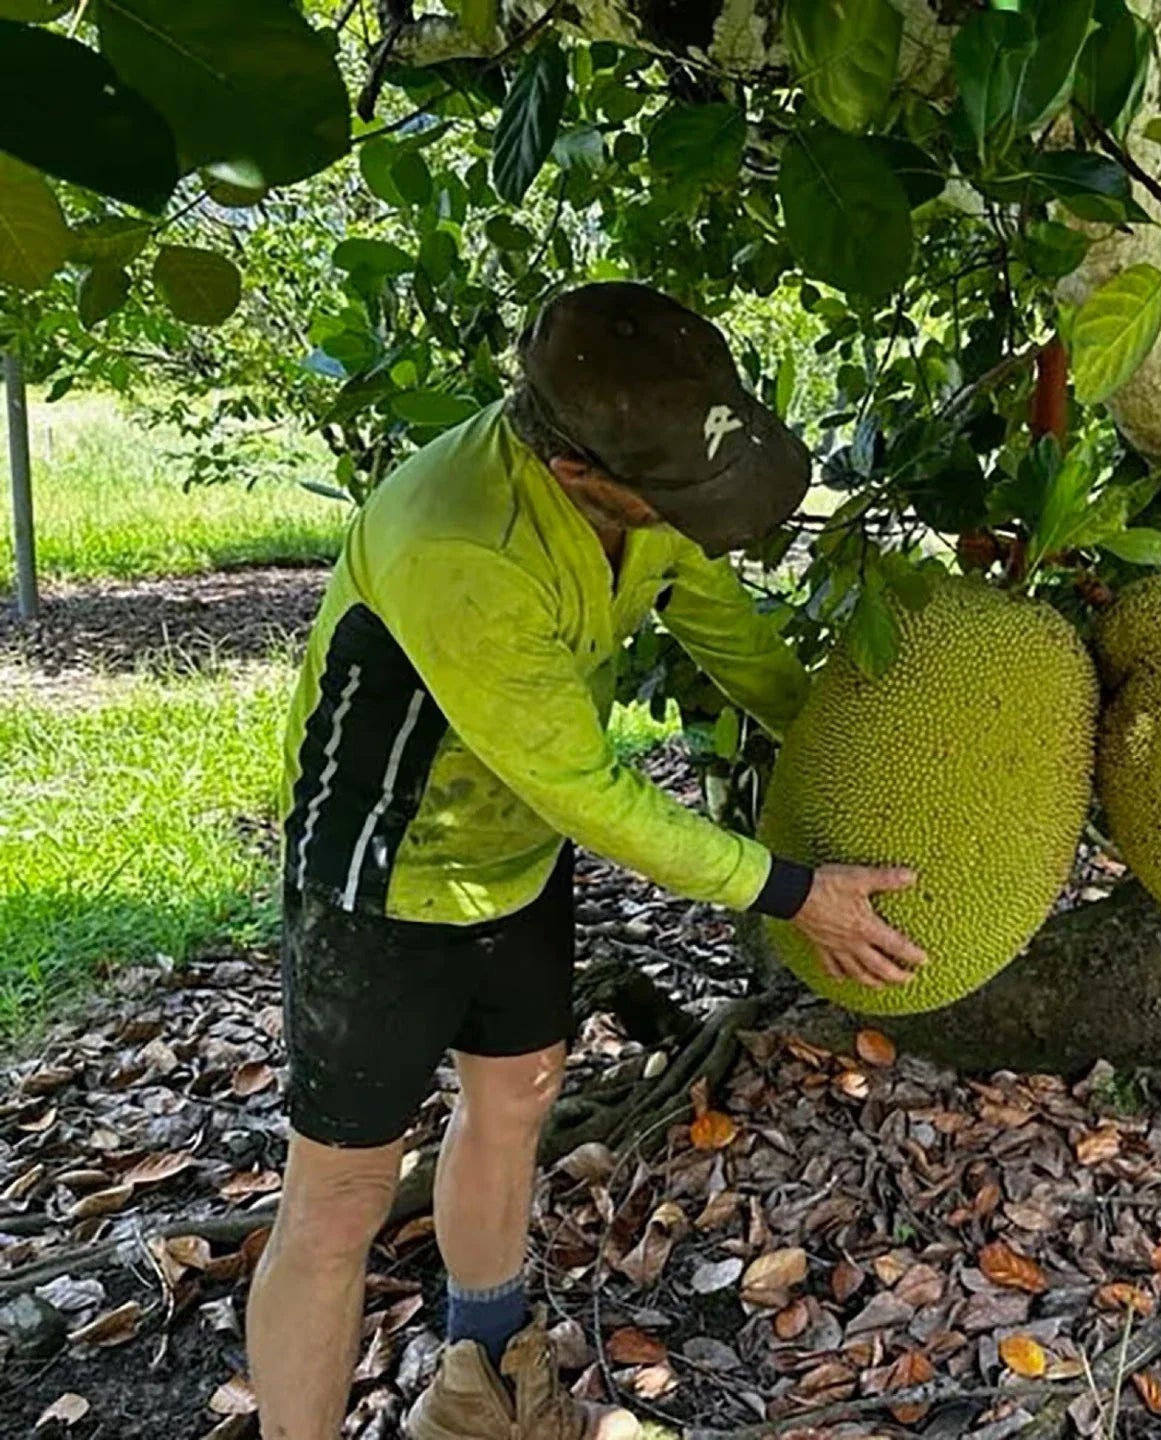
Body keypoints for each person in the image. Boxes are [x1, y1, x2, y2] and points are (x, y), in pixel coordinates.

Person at [249, 282, 926, 1440]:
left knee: (516, 1098)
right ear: (574, 474)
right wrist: (792, 894)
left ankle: (483, 1387)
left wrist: (834, 744)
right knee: (341, 1199)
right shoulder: (459, 543)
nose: (691, 517)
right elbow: (586, 788)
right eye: (674, 499)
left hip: (516, 860)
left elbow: (724, 630)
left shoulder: (642, 489)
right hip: (381, 877)